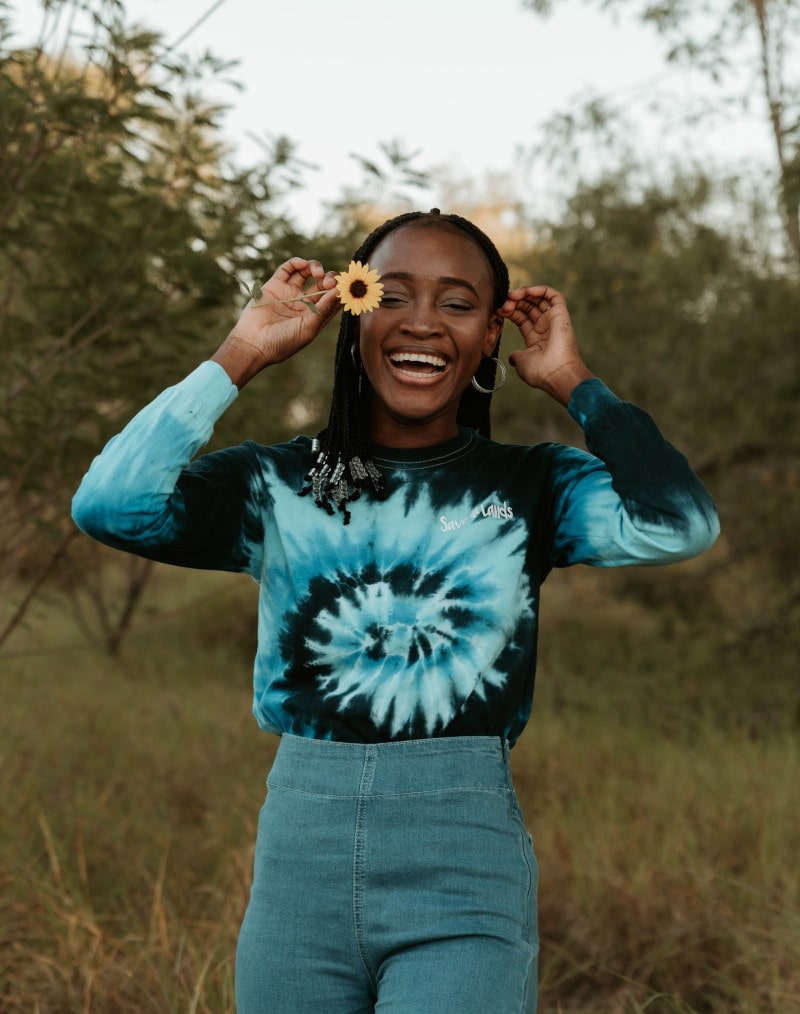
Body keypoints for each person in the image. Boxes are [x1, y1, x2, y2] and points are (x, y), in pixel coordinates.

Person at [71, 209, 720, 1013]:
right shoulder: (275, 484)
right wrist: (240, 356)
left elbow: (680, 524)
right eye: (392, 294)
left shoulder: (534, 485)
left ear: (491, 336)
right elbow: (109, 505)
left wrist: (575, 383)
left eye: (457, 303)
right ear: (352, 309)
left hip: (465, 864)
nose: (421, 323)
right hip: (298, 865)